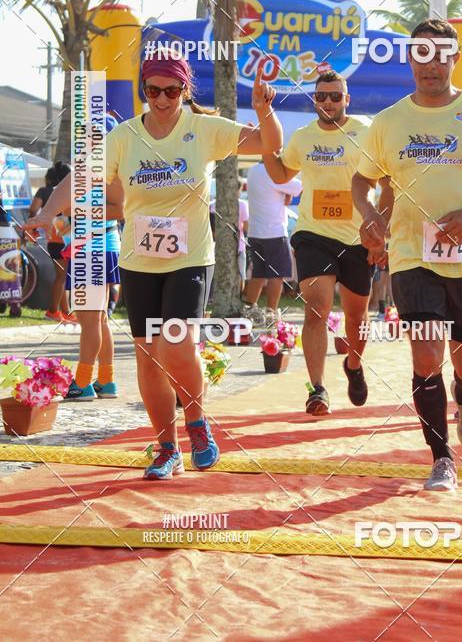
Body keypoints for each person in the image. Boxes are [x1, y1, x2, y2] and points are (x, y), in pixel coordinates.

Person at [25, 49, 281, 480]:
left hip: (190, 259)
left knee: (174, 345)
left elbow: (269, 143)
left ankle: (197, 422)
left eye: (172, 90)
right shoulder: (124, 136)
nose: (161, 99)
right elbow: (82, 175)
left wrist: (263, 110)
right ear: (144, 89)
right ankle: (167, 447)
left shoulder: (203, 129)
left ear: (184, 89)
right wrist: (50, 212)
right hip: (140, 261)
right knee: (147, 359)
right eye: (152, 90)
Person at [353, 19, 462, 492]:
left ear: (455, 59)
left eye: (440, 54)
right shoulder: (389, 121)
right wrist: (369, 214)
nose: (430, 64)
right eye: (421, 54)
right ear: (409, 59)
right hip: (412, 256)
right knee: (427, 353)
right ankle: (441, 459)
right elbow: (362, 179)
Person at [264, 70, 376, 416]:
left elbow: (385, 178)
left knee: (357, 314)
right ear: (315, 100)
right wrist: (267, 142)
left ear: (347, 99)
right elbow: (282, 174)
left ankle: (354, 365)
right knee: (316, 307)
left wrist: (380, 228)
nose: (328, 102)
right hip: (313, 235)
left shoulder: (366, 131)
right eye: (322, 96)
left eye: (335, 96)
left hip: (358, 237)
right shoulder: (303, 137)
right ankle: (318, 389)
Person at [63, 115, 123, 400]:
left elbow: (120, 208)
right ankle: (106, 381)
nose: (86, 140)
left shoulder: (106, 168)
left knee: (90, 321)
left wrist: (79, 213)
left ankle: (83, 382)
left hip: (93, 248)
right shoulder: (93, 167)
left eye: (93, 135)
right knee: (98, 321)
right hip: (95, 246)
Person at [243, 160, 302, 327]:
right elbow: (298, 187)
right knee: (277, 275)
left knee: (258, 273)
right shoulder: (274, 172)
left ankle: (250, 308)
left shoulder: (253, 170)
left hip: (255, 232)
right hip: (274, 232)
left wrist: (286, 193)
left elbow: (286, 193)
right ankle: (271, 312)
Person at [29, 162, 76, 324]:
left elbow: (33, 209)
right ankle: (54, 311)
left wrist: (33, 227)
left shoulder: (45, 191)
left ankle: (66, 311)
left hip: (55, 239)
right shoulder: (66, 191)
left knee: (63, 275)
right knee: (62, 276)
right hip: (64, 238)